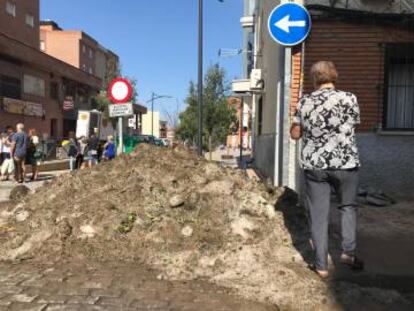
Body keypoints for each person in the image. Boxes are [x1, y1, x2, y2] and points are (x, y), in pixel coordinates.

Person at [290, 61, 363, 279]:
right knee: (348, 207)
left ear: (315, 78)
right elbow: (354, 125)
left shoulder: (304, 101)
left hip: (315, 165)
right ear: (335, 76)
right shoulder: (350, 98)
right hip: (346, 163)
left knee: (318, 214)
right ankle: (348, 253)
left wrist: (297, 123)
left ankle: (321, 266)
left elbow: (295, 134)